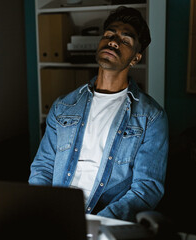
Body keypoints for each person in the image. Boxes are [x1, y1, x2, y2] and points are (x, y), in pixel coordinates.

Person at [29, 6, 168, 222]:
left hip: (104, 220)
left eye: (125, 40)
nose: (113, 41)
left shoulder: (151, 117)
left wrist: (96, 224)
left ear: (135, 58)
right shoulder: (64, 106)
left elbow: (146, 189)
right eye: (109, 34)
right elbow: (43, 167)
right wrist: (42, 209)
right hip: (56, 213)